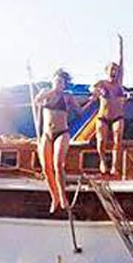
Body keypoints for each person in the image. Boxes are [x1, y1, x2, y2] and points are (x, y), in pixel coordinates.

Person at [34, 69, 84, 213]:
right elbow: (37, 100)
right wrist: (53, 91)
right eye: (56, 80)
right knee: (46, 168)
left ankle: (63, 196)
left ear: (64, 84)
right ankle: (54, 196)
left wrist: (92, 100)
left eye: (60, 82)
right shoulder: (45, 93)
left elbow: (79, 112)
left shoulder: (68, 96)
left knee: (58, 164)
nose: (58, 83)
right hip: (46, 134)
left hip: (62, 133)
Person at [91, 34, 127, 176]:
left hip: (118, 117)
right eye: (111, 70)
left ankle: (114, 166)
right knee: (101, 141)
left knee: (118, 139)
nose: (113, 72)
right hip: (103, 117)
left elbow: (121, 61)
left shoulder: (119, 83)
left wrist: (121, 46)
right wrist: (96, 91)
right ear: (106, 71)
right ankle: (102, 161)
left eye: (115, 70)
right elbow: (91, 88)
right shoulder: (102, 83)